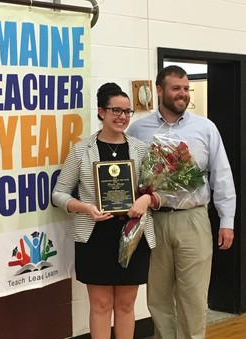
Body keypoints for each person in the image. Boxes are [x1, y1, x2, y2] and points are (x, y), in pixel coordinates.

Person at [127, 65, 236, 339]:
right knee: (158, 298)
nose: (183, 94)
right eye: (176, 88)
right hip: (154, 220)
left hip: (194, 219)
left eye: (186, 89)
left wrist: (227, 220)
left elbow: (221, 176)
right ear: (159, 90)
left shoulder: (205, 128)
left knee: (194, 297)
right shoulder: (139, 130)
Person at [52, 82, 159, 339]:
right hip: (95, 235)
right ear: (101, 112)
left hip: (133, 234)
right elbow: (59, 194)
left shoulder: (141, 149)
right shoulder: (81, 150)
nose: (122, 117)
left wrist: (146, 200)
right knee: (100, 306)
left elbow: (158, 191)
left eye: (127, 112)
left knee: (125, 305)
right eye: (116, 111)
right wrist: (85, 207)